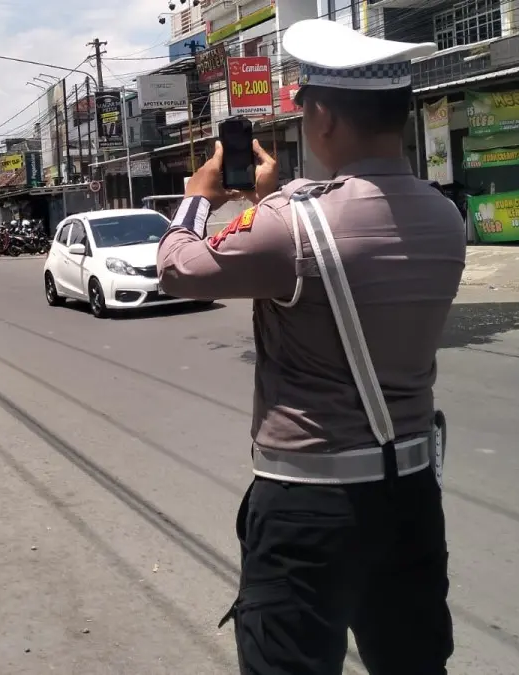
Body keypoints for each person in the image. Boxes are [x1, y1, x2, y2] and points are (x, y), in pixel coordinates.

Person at [157, 18, 465, 675]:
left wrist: (195, 200)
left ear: (322, 117)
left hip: (308, 509)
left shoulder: (290, 225)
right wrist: (274, 201)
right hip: (411, 494)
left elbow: (178, 267)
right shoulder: (447, 219)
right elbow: (340, 244)